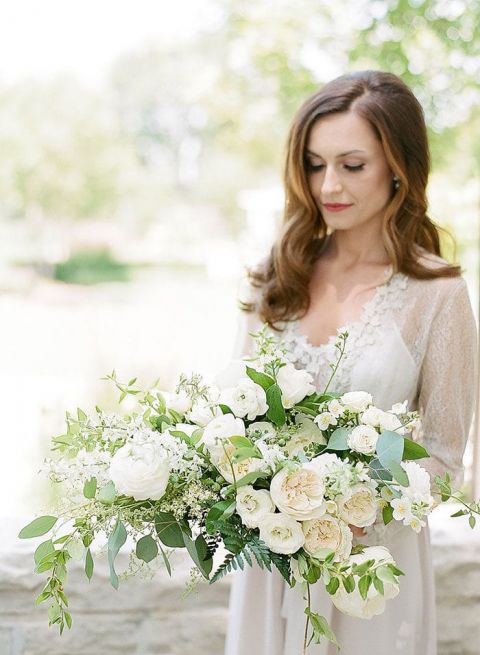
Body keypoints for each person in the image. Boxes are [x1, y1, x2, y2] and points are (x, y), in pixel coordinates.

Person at [223, 70, 478, 655]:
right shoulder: (275, 276)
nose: (328, 185)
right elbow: (228, 421)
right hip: (271, 565)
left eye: (351, 165)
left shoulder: (437, 294)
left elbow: (444, 454)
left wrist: (347, 512)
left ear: (398, 166)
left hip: (368, 570)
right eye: (314, 164)